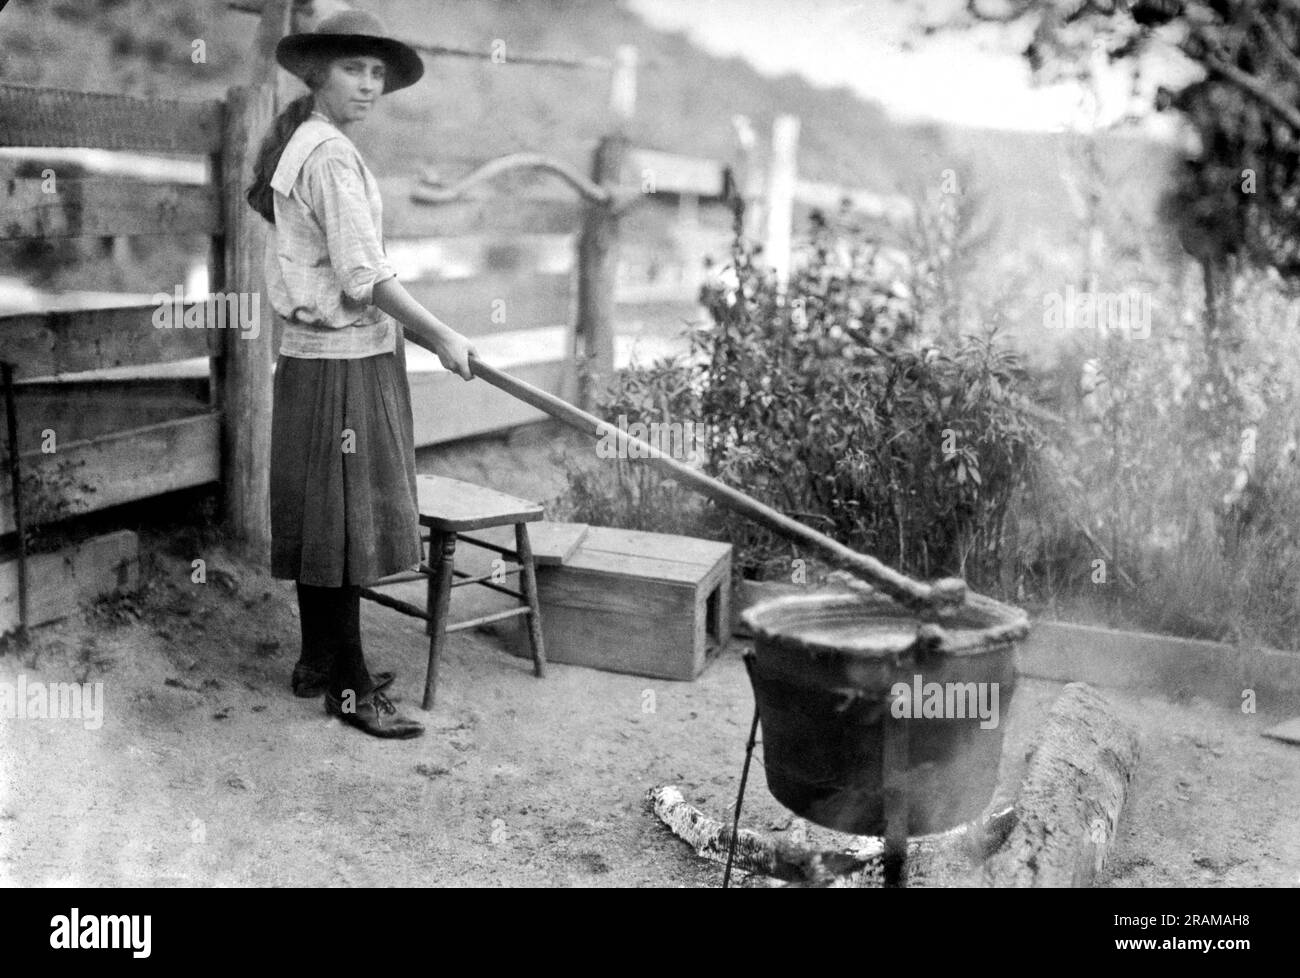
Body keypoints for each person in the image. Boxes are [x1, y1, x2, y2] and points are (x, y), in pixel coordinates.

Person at [245, 8, 477, 739]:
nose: (370, 85)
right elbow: (361, 274)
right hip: (341, 365)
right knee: (341, 523)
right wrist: (441, 332)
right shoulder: (330, 156)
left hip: (318, 363)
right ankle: (346, 689)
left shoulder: (310, 143)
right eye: (355, 69)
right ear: (318, 74)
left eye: (378, 73)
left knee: (325, 516)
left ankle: (319, 658)